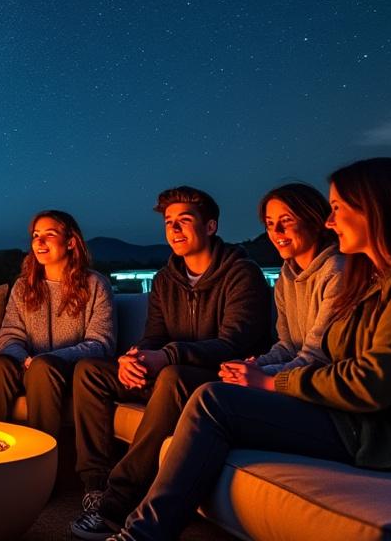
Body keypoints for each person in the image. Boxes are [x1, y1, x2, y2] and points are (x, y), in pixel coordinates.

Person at [101, 157, 391, 541]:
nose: (330, 222)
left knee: (213, 401)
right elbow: (299, 347)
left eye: (336, 209)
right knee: (212, 393)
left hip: (365, 432)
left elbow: (372, 382)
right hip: (334, 410)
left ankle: (139, 533)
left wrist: (270, 384)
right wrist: (255, 370)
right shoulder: (371, 281)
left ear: (377, 210)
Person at [72, 186, 272, 540]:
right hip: (170, 369)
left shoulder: (243, 273)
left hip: (220, 380)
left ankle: (118, 502)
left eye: (184, 220)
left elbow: (233, 344)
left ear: (210, 226)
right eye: (169, 222)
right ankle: (95, 485)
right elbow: (153, 336)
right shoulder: (166, 278)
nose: (175, 230)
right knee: (90, 372)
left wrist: (167, 355)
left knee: (174, 376)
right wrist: (132, 359)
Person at [0, 210, 114, 437]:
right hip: (27, 367)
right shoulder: (23, 286)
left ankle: (43, 459)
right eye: (36, 235)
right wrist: (24, 360)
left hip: (67, 373)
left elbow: (100, 343)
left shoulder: (96, 284)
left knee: (44, 368)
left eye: (49, 234)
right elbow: (9, 335)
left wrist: (48, 359)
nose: (39, 241)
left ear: (70, 242)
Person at [218, 183, 343, 383]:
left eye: (287, 220)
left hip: (319, 385)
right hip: (293, 376)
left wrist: (261, 374)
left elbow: (318, 357)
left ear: (315, 222)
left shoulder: (336, 272)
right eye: (269, 223)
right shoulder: (286, 274)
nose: (276, 231)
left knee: (213, 394)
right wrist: (254, 365)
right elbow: (287, 346)